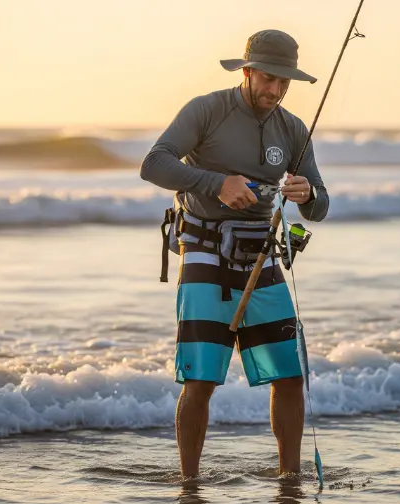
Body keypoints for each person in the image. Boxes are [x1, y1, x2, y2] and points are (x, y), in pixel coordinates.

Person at [140, 29, 329, 479]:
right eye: (269, 78)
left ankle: (290, 480)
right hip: (203, 248)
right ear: (246, 71)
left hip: (261, 254)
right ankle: (188, 482)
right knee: (201, 378)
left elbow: (320, 205)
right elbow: (154, 162)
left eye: (285, 82)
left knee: (290, 376)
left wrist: (307, 193)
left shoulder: (293, 128)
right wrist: (214, 182)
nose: (277, 90)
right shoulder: (207, 110)